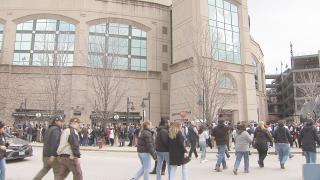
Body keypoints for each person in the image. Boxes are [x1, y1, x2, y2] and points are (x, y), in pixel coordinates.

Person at [33, 116, 65, 180]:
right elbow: (55, 143)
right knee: (57, 172)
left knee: (44, 170)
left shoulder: (49, 129)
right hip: (52, 156)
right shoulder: (56, 129)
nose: (62, 123)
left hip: (45, 155)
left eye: (62, 122)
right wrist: (53, 155)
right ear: (55, 121)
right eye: (61, 121)